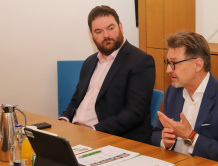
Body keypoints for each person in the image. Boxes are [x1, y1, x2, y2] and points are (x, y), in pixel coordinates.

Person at [151, 31, 218, 166]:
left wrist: (191, 136)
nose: (168, 69)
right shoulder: (173, 91)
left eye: (174, 63)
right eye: (168, 62)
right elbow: (155, 134)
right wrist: (165, 141)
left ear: (198, 65)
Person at [59, 5, 155, 144]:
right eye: (98, 31)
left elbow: (134, 113)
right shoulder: (90, 62)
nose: (106, 35)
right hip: (77, 134)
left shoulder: (140, 61)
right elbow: (76, 100)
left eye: (111, 28)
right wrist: (64, 120)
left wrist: (92, 130)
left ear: (120, 27)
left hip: (111, 139)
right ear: (92, 35)